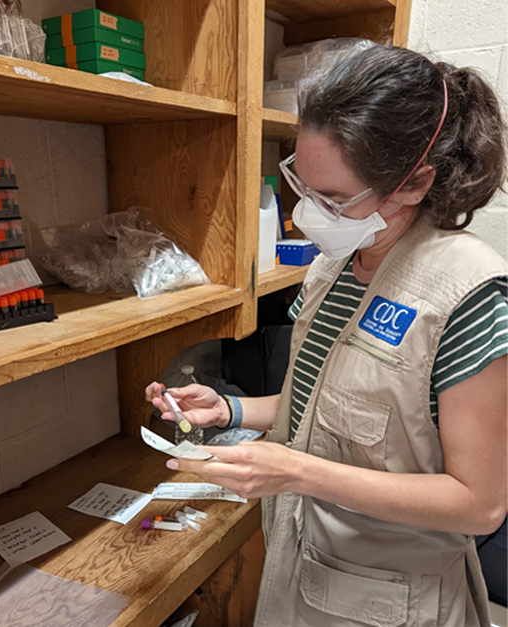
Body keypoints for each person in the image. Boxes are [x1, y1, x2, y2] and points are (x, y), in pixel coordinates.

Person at [146, 44, 506, 626]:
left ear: (414, 184)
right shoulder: (334, 266)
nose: (305, 215)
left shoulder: (466, 294)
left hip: (394, 598)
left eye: (333, 199)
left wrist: (294, 471)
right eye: (302, 186)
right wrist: (229, 411)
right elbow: (317, 408)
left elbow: (480, 503)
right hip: (303, 563)